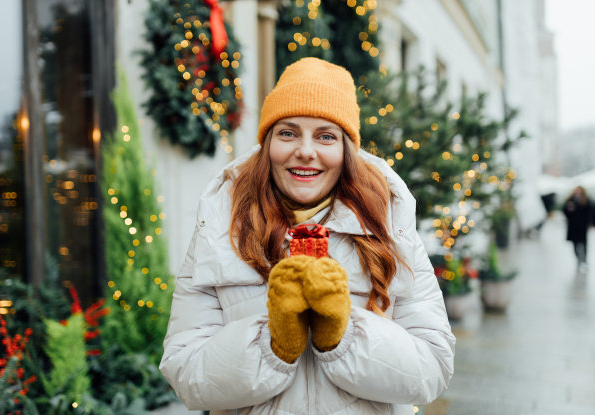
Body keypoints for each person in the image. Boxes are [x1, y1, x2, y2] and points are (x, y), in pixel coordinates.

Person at [160, 57, 455, 415]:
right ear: (268, 142)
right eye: (288, 132)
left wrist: (341, 335)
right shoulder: (223, 224)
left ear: (346, 149)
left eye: (325, 136)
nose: (305, 151)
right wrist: (274, 344)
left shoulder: (388, 225)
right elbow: (186, 373)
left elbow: (432, 370)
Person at [563, 186, 592, 269]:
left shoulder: (586, 200)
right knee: (575, 244)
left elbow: (590, 212)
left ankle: (584, 260)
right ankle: (578, 260)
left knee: (583, 244)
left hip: (582, 226)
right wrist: (569, 209)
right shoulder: (570, 200)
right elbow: (565, 211)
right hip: (573, 226)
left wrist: (590, 223)